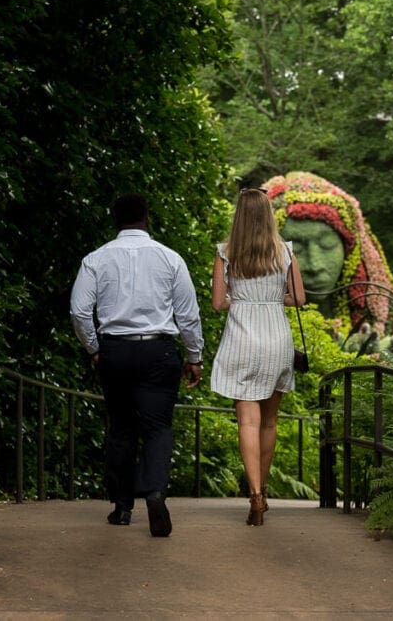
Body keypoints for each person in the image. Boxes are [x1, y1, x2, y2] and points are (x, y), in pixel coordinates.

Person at [70, 193, 204, 537]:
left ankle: (122, 507)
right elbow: (188, 315)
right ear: (146, 218)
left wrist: (94, 349)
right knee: (158, 427)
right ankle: (156, 492)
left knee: (121, 428)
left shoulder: (96, 260)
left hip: (115, 350)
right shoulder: (170, 259)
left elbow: (80, 311)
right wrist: (194, 357)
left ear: (115, 220)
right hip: (158, 352)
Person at [210, 188, 306, 526]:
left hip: (242, 340)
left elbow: (219, 303)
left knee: (247, 421)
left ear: (238, 216)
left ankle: (254, 496)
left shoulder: (226, 254)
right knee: (269, 421)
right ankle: (263, 488)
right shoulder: (285, 253)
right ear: (269, 215)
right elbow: (298, 298)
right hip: (277, 340)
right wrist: (270, 298)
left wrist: (244, 300)